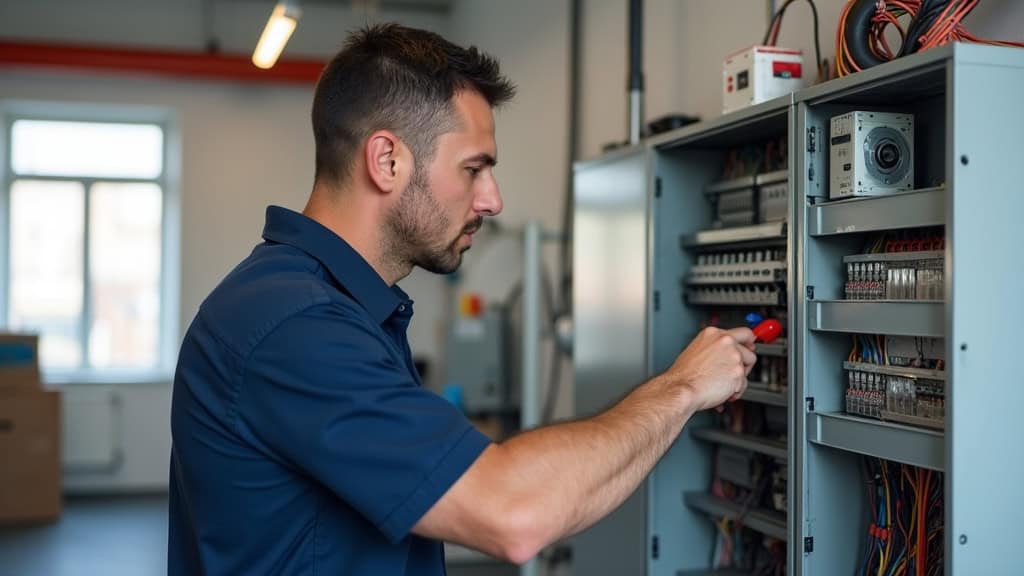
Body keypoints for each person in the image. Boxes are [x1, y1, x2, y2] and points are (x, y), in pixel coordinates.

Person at [168, 22, 756, 576]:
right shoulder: (296, 324)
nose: (492, 199)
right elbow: (514, 513)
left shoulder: (331, 304)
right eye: (473, 169)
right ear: (387, 160)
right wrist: (682, 387)